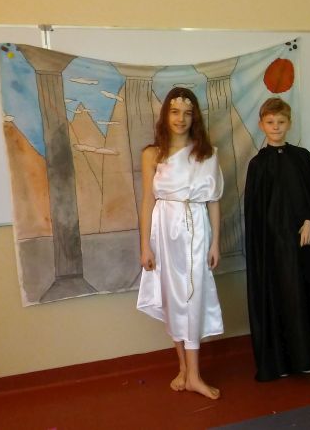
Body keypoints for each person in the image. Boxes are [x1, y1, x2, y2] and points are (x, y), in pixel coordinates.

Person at [243, 97, 310, 381]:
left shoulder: (302, 158)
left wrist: (309, 221)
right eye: (270, 122)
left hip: (303, 245)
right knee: (279, 297)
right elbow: (255, 213)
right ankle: (281, 362)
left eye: (281, 122)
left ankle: (305, 357)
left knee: (302, 294)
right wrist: (268, 243)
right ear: (262, 125)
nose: (276, 127)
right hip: (273, 248)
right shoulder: (257, 165)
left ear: (289, 123)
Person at [136, 87, 224, 399]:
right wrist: (145, 246)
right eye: (175, 112)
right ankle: (184, 369)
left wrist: (215, 243)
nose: (181, 119)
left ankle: (195, 375)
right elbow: (147, 201)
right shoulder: (152, 154)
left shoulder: (206, 153)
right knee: (172, 297)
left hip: (197, 230)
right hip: (164, 230)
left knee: (193, 296)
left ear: (194, 117)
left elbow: (213, 200)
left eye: (187, 113)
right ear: (165, 115)